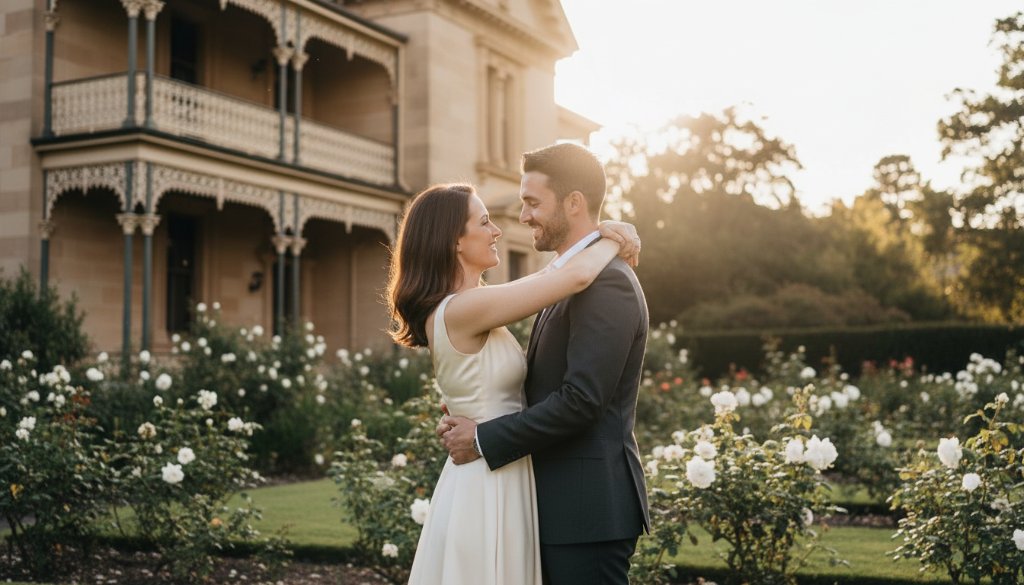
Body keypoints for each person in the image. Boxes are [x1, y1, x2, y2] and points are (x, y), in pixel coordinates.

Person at [386, 178, 641, 585]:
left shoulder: (473, 304)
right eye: (484, 222)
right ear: (454, 240)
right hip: (487, 480)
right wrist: (614, 238)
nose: (498, 230)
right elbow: (571, 279)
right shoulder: (465, 308)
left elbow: (551, 278)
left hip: (500, 468)